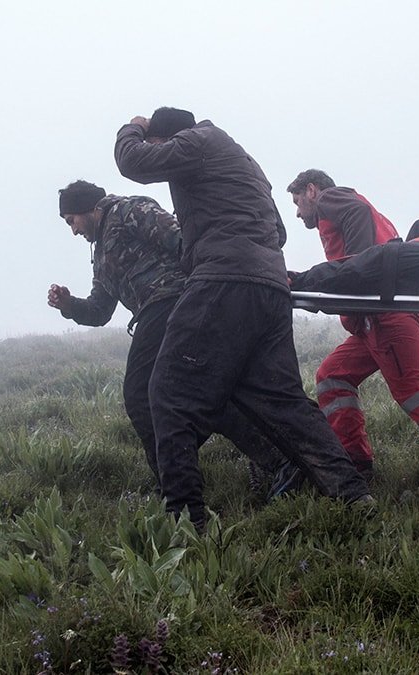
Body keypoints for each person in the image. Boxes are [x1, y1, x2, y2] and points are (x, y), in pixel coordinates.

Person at [114, 108, 372, 528]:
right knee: (284, 401)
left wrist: (135, 128)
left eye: (161, 148)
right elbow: (279, 231)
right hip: (268, 287)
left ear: (170, 138)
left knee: (166, 393)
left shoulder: (197, 141)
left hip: (223, 282)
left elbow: (133, 163)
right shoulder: (243, 162)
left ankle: (185, 520)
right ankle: (353, 493)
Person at [48, 180, 298, 498]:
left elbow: (183, 240)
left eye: (72, 221)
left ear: (89, 208)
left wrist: (211, 289)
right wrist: (70, 306)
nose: (73, 230)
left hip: (175, 302)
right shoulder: (100, 254)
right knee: (205, 395)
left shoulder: (128, 210)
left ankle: (173, 485)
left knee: (140, 395)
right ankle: (277, 462)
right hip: (156, 312)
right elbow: (100, 311)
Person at [286, 169, 419, 504]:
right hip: (380, 316)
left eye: (298, 201)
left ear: (312, 190)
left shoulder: (333, 199)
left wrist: (358, 267)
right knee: (332, 376)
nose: (298, 211)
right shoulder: (350, 216)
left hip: (386, 315)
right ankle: (356, 466)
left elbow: (358, 248)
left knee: (413, 391)